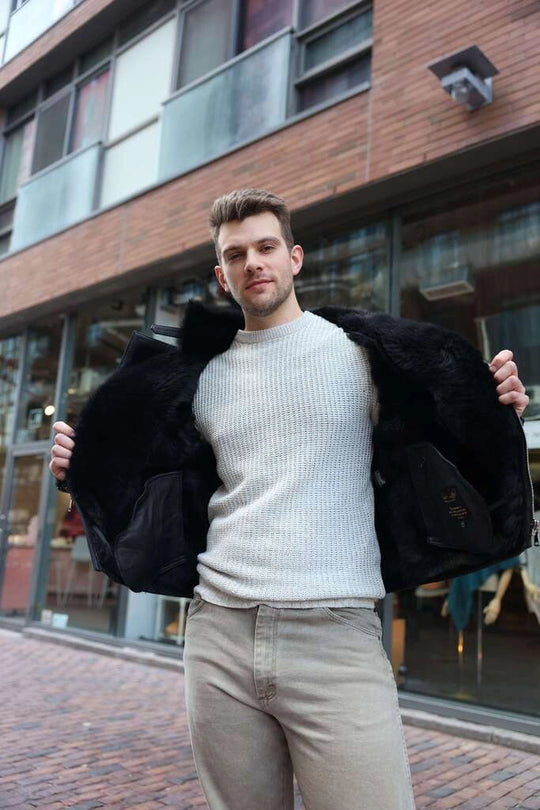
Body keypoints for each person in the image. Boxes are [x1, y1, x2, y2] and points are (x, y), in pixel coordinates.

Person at [49, 189, 530, 810]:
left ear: (295, 258)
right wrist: (79, 467)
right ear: (220, 276)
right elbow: (146, 487)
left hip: (336, 633)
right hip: (219, 633)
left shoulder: (363, 357)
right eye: (236, 254)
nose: (253, 262)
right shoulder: (196, 374)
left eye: (266, 247)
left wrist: (501, 416)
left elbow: (453, 449)